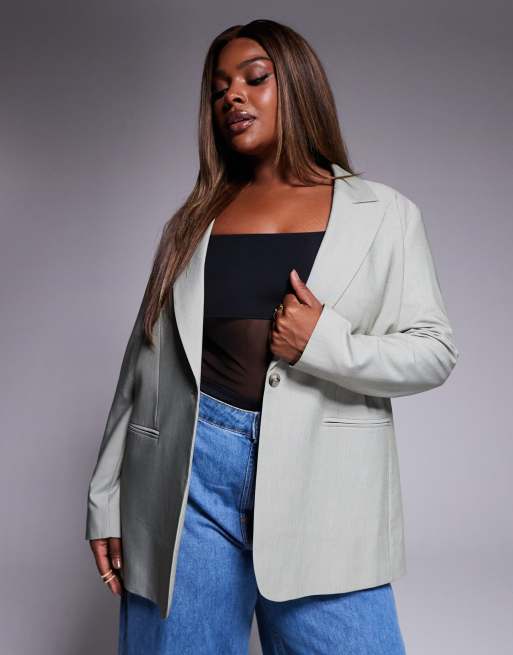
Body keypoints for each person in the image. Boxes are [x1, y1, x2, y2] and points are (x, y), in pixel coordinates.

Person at [85, 18, 459, 654]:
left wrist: (325, 343)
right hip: (187, 472)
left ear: (298, 85)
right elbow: (142, 365)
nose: (232, 96)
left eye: (255, 78)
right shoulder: (193, 222)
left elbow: (434, 351)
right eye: (219, 89)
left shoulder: (385, 214)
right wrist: (107, 497)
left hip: (326, 479)